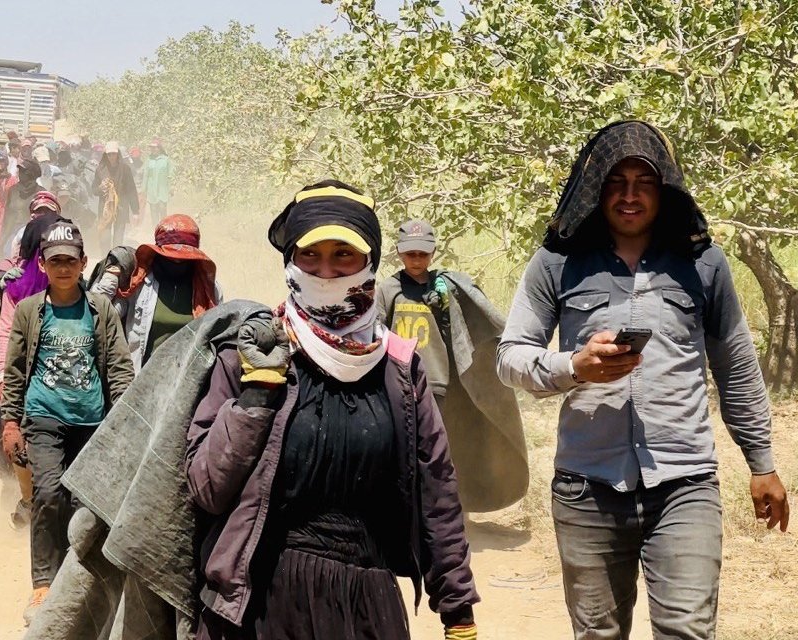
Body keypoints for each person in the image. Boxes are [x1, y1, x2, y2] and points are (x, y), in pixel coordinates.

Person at [497, 120, 789, 639]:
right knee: (599, 635)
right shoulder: (555, 263)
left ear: (664, 190)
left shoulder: (704, 265)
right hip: (587, 489)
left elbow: (737, 367)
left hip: (684, 485)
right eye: (616, 182)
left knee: (689, 631)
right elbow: (511, 356)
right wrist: (572, 366)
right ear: (595, 189)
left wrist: (762, 461)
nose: (630, 195)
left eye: (644, 183)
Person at [186, 180, 479, 640]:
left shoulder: (399, 369)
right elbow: (206, 488)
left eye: (344, 255)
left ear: (370, 264)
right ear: (289, 262)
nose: (326, 272)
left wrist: (458, 608)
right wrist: (256, 398)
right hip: (260, 601)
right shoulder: (250, 355)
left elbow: (436, 491)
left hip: (365, 605)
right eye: (310, 255)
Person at [0, 219, 135, 623]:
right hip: (43, 416)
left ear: (83, 263)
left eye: (70, 261)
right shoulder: (29, 311)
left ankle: (78, 587)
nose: (62, 268)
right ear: (42, 264)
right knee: (48, 494)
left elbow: (118, 367)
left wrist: (122, 419)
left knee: (83, 506)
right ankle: (43, 583)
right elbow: (16, 370)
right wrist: (10, 423)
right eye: (55, 260)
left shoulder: (102, 309)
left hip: (91, 421)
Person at [373, 219, 529, 512]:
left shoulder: (446, 286)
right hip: (401, 381)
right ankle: (408, 514)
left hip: (440, 384)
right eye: (410, 254)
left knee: (443, 450)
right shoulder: (388, 289)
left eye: (422, 253)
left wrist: (446, 308)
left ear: (432, 253)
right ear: (398, 252)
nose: (416, 259)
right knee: (404, 449)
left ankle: (449, 514)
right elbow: (377, 333)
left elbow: (463, 334)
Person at [0, 194, 66, 528]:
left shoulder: (74, 281)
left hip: (61, 375)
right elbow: (6, 333)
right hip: (18, 368)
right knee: (9, 429)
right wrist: (6, 378)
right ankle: (21, 496)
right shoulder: (17, 284)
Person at [91, 214, 221, 368]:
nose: (177, 262)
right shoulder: (139, 283)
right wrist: (111, 277)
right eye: (171, 257)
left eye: (183, 258)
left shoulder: (209, 291)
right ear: (159, 252)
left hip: (185, 381)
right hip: (141, 377)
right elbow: (102, 315)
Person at [91, 141, 139, 254]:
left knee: (118, 238)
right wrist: (101, 187)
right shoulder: (100, 169)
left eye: (114, 154)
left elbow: (131, 189)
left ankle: (116, 260)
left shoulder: (125, 169)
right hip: (105, 209)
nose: (111, 156)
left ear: (118, 154)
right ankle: (105, 260)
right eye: (109, 154)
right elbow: (93, 190)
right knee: (105, 237)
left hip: (121, 207)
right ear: (105, 155)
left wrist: (135, 211)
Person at [142, 139, 172, 227]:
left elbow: (171, 175)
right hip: (152, 189)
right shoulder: (149, 160)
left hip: (163, 189)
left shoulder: (166, 160)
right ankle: (155, 230)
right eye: (151, 148)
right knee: (154, 209)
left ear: (159, 148)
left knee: (162, 208)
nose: (153, 149)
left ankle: (164, 229)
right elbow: (146, 175)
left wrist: (171, 188)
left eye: (154, 148)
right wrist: (144, 189)